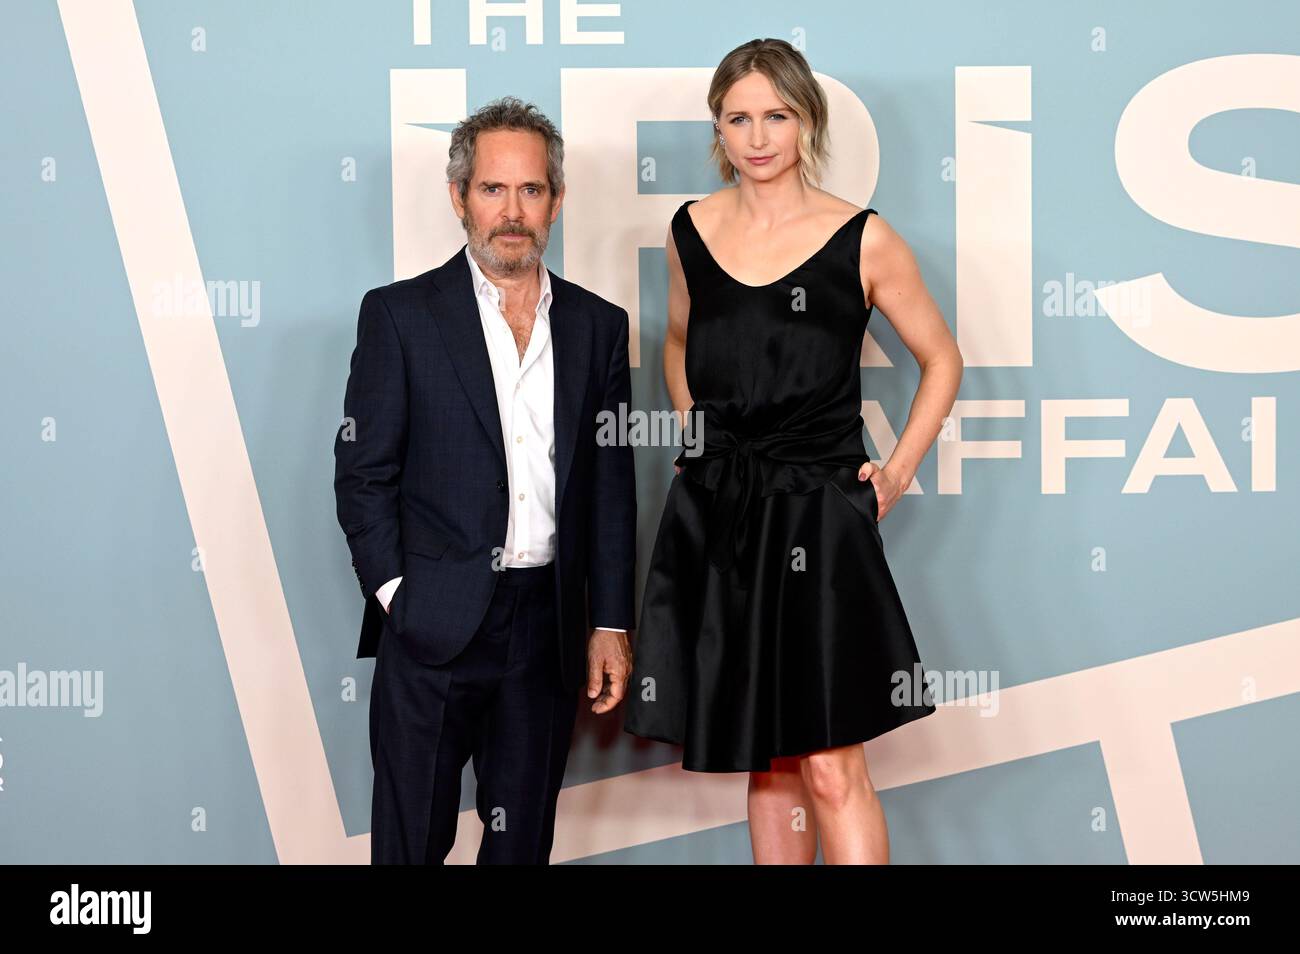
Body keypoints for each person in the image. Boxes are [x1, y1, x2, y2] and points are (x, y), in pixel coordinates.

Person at [622, 39, 962, 864]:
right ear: (719, 129)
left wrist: (898, 469)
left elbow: (942, 359)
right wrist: (695, 429)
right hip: (718, 509)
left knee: (830, 761)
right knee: (766, 759)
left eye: (776, 115)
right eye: (738, 118)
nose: (758, 136)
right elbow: (676, 341)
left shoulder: (863, 238)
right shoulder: (691, 229)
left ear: (806, 120)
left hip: (819, 512)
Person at [334, 97, 636, 864]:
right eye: (493, 190)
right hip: (433, 627)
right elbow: (363, 473)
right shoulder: (401, 317)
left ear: (556, 201)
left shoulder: (597, 326)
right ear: (459, 197)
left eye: (531, 191)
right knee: (411, 846)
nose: (512, 211)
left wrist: (609, 621)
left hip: (547, 631)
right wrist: (402, 597)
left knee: (520, 850)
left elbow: (609, 487)